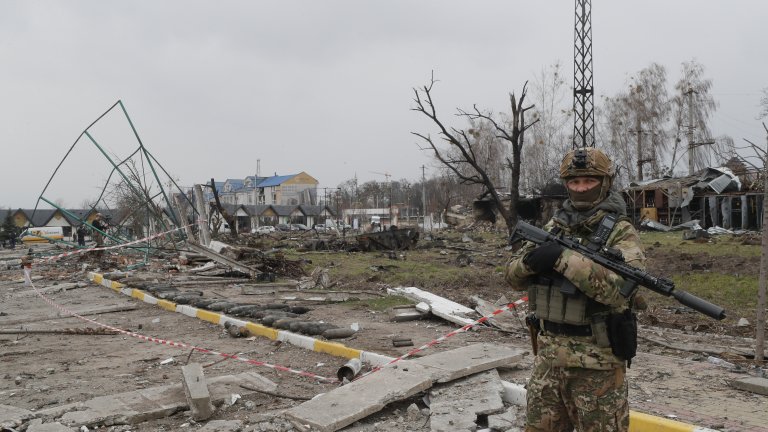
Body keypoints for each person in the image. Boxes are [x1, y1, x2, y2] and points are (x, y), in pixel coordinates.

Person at [505, 147, 646, 432]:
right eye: (574, 182)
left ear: (605, 182)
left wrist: (562, 258)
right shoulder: (556, 226)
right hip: (548, 360)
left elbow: (618, 291)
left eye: (589, 181)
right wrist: (532, 262)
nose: (581, 188)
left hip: (597, 365)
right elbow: (512, 276)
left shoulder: (621, 231)